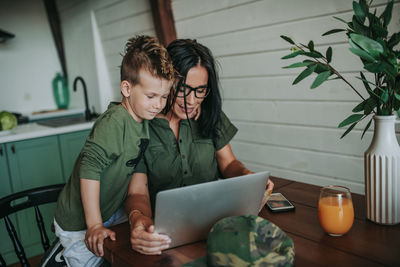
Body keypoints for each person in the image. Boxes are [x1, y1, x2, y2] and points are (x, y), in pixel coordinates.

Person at [124, 39, 274, 255]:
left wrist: (249, 178)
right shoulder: (141, 124)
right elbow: (137, 192)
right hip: (167, 238)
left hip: (218, 227)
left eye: (200, 90)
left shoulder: (209, 114)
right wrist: (138, 221)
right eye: (184, 89)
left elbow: (229, 163)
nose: (192, 100)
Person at [52, 35, 176, 266]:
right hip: (79, 222)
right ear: (127, 88)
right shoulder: (114, 122)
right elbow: (89, 169)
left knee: (138, 245)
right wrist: (95, 225)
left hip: (109, 210)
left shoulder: (142, 122)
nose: (158, 104)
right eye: (151, 96)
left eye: (164, 97)